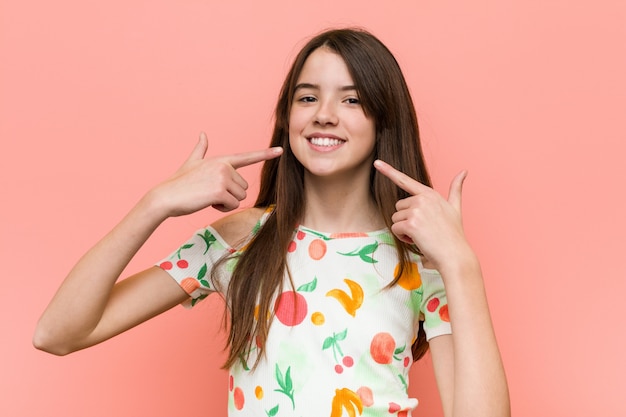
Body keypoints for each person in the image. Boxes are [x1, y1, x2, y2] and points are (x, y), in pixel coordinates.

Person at [34, 28, 510, 417]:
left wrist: (460, 264)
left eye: (351, 100)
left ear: (384, 121)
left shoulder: (421, 261)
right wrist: (154, 203)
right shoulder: (242, 239)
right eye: (307, 98)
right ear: (287, 116)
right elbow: (56, 334)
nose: (323, 115)